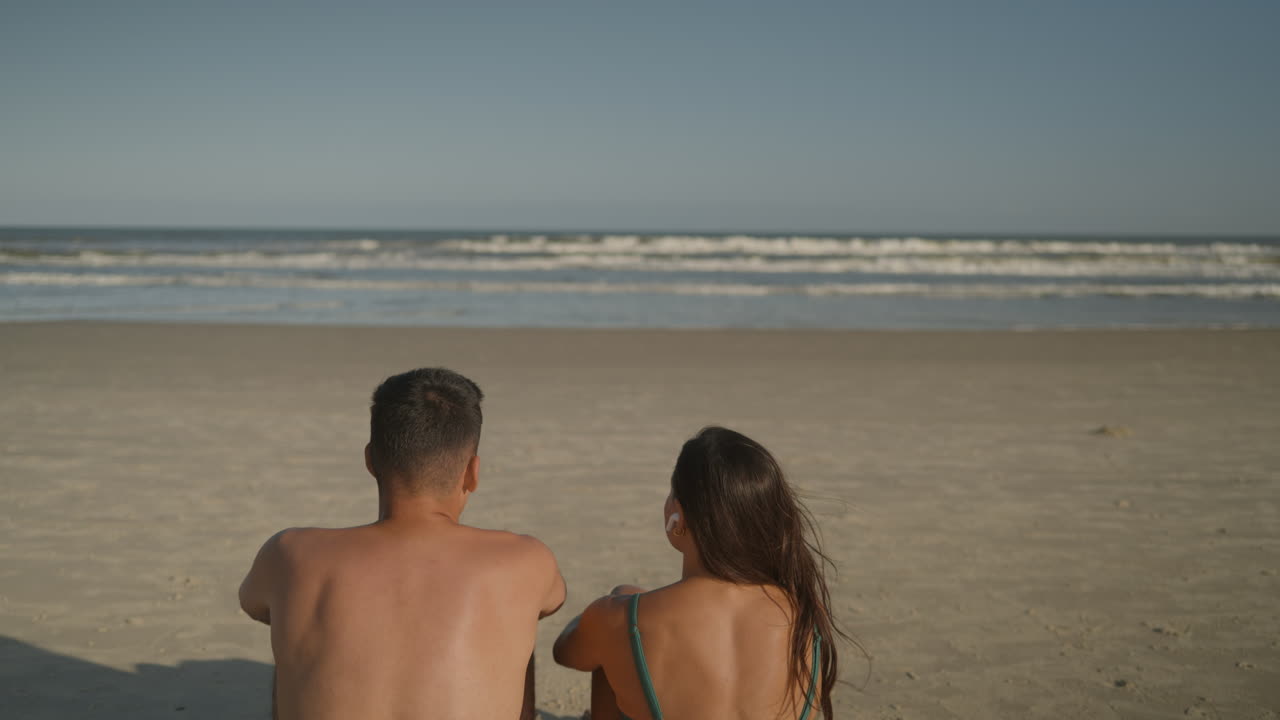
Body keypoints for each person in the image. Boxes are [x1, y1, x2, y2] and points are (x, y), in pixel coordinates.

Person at [239, 367, 565, 720]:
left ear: (370, 461)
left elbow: (258, 606)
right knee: (517, 618)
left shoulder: (290, 552)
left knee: (295, 623)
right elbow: (550, 603)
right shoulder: (526, 558)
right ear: (472, 472)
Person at [553, 426, 842, 719]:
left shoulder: (622, 618)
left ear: (677, 515)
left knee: (618, 649)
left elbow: (566, 653)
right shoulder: (807, 613)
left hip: (630, 625)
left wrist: (617, 604)